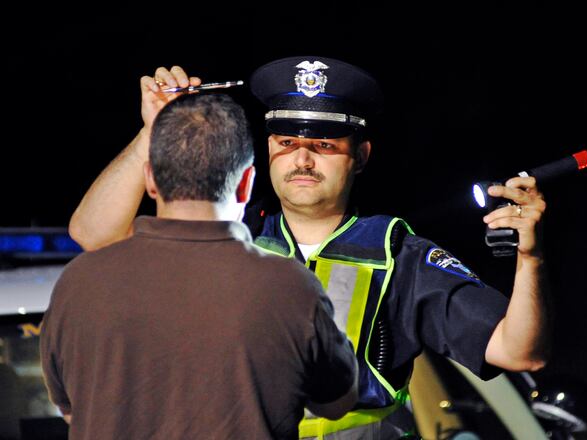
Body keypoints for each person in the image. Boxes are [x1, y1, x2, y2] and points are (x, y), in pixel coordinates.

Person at [69, 57, 549, 439]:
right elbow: (95, 235)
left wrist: (531, 257)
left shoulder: (399, 255)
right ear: (267, 150)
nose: (301, 158)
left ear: (360, 157)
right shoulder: (226, 233)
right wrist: (152, 131)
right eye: (285, 142)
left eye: (323, 145)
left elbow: (518, 352)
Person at [42, 93, 358, 439]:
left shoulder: (78, 284)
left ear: (150, 178)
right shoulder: (291, 288)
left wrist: (154, 131)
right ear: (245, 184)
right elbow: (337, 402)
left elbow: (71, 409)